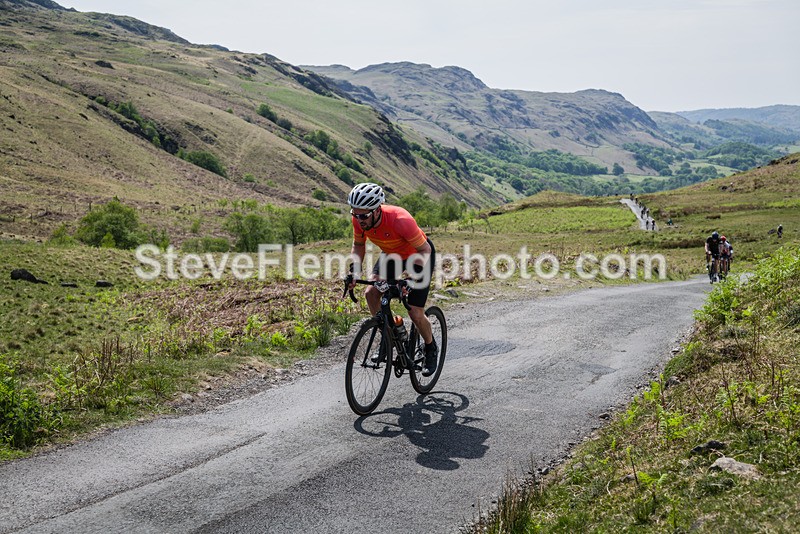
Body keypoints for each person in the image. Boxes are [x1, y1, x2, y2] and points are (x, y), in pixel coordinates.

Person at [346, 183, 438, 376]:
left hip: (419, 255)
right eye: (355, 214)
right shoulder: (359, 219)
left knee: (415, 312)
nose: (359, 220)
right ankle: (389, 339)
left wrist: (411, 279)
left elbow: (425, 250)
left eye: (364, 215)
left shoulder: (400, 220)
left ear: (377, 210)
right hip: (391, 255)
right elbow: (359, 245)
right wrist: (354, 271)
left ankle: (430, 348)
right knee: (371, 293)